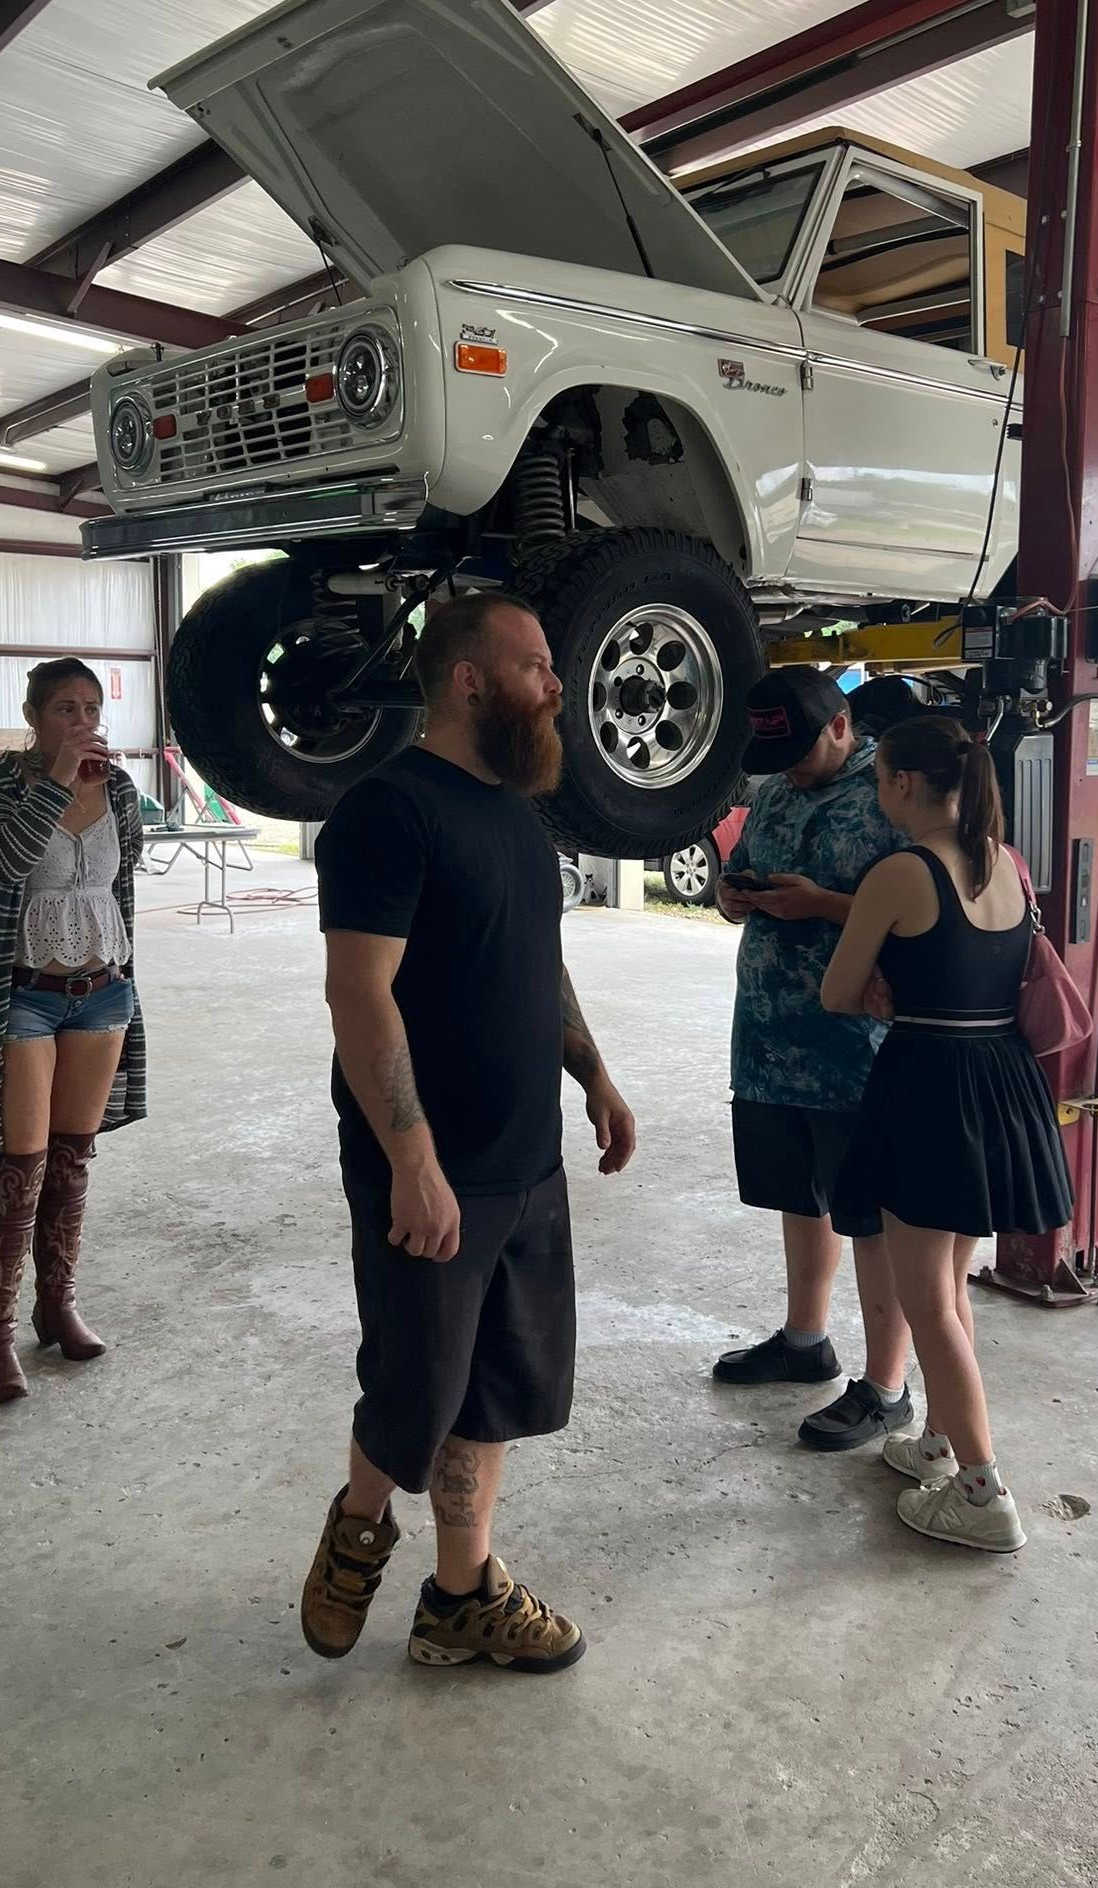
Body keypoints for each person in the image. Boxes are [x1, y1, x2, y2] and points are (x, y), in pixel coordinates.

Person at [304, 592, 637, 1676]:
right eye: (537, 664)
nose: (554, 684)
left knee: (494, 1385)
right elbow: (360, 993)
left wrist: (593, 1073)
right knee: (416, 1385)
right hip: (434, 1169)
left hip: (527, 1161)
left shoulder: (516, 815)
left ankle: (460, 1593)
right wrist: (412, 1160)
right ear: (469, 679)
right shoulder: (389, 810)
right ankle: (359, 1525)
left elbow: (536, 960)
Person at [821, 713, 1073, 1553]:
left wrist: (883, 984)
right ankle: (937, 1438)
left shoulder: (901, 872)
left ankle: (981, 1488)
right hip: (1000, 1081)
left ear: (901, 784)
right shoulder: (1008, 862)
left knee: (926, 1298)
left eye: (880, 777)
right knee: (952, 1282)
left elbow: (837, 991)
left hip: (928, 1087)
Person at [712, 667, 927, 1458]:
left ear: (842, 725)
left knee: (869, 1216)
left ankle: (885, 1385)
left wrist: (827, 905)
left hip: (855, 1049)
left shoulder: (892, 792)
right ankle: (806, 1339)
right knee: (796, 1197)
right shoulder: (773, 789)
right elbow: (753, 868)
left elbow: (926, 907)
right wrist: (736, 897)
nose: (792, 768)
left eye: (803, 750)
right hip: (771, 1038)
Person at [0, 658, 145, 1406]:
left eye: (90, 707)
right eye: (64, 708)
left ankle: (56, 1303)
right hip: (24, 996)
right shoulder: (1, 781)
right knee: (19, 1167)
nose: (80, 720)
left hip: (102, 992)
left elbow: (122, 871)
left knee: (71, 1162)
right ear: (34, 715)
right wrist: (60, 780)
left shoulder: (122, 787)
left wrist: (91, 780)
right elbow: (2, 864)